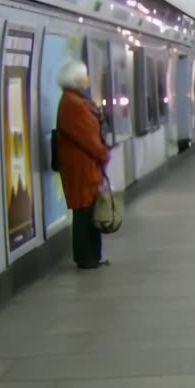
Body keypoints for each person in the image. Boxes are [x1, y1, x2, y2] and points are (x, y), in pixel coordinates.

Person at [55, 59, 110, 269]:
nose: (88, 80)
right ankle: (86, 257)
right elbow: (87, 137)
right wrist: (103, 153)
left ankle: (92, 256)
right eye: (85, 76)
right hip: (81, 168)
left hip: (85, 167)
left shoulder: (75, 101)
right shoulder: (73, 104)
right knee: (84, 213)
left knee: (88, 211)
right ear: (77, 80)